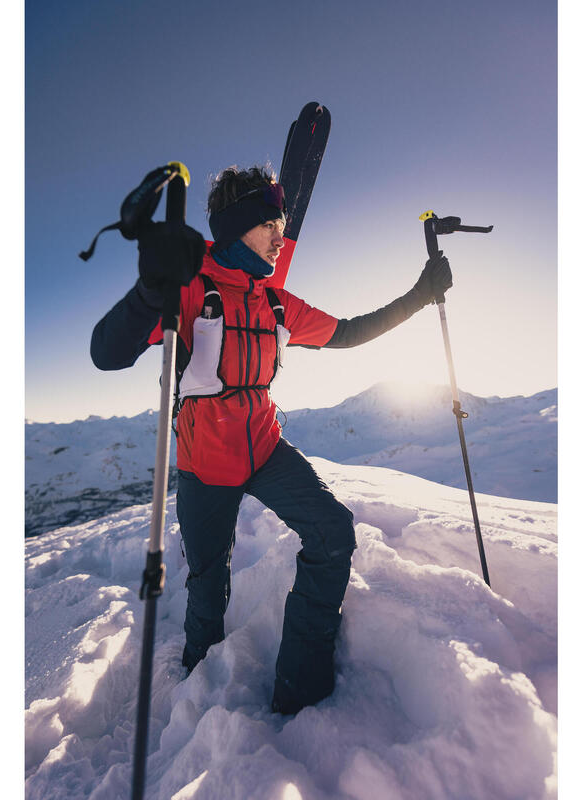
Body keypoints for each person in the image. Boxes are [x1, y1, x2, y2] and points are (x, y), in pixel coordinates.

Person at [90, 164, 452, 714]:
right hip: (204, 465)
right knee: (208, 591)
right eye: (269, 224)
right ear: (236, 227)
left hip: (264, 448)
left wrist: (421, 294)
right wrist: (149, 289)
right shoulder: (188, 285)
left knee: (332, 532)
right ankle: (197, 688)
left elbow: (351, 331)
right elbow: (105, 353)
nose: (281, 237)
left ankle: (300, 693)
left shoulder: (274, 300)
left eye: (282, 223)